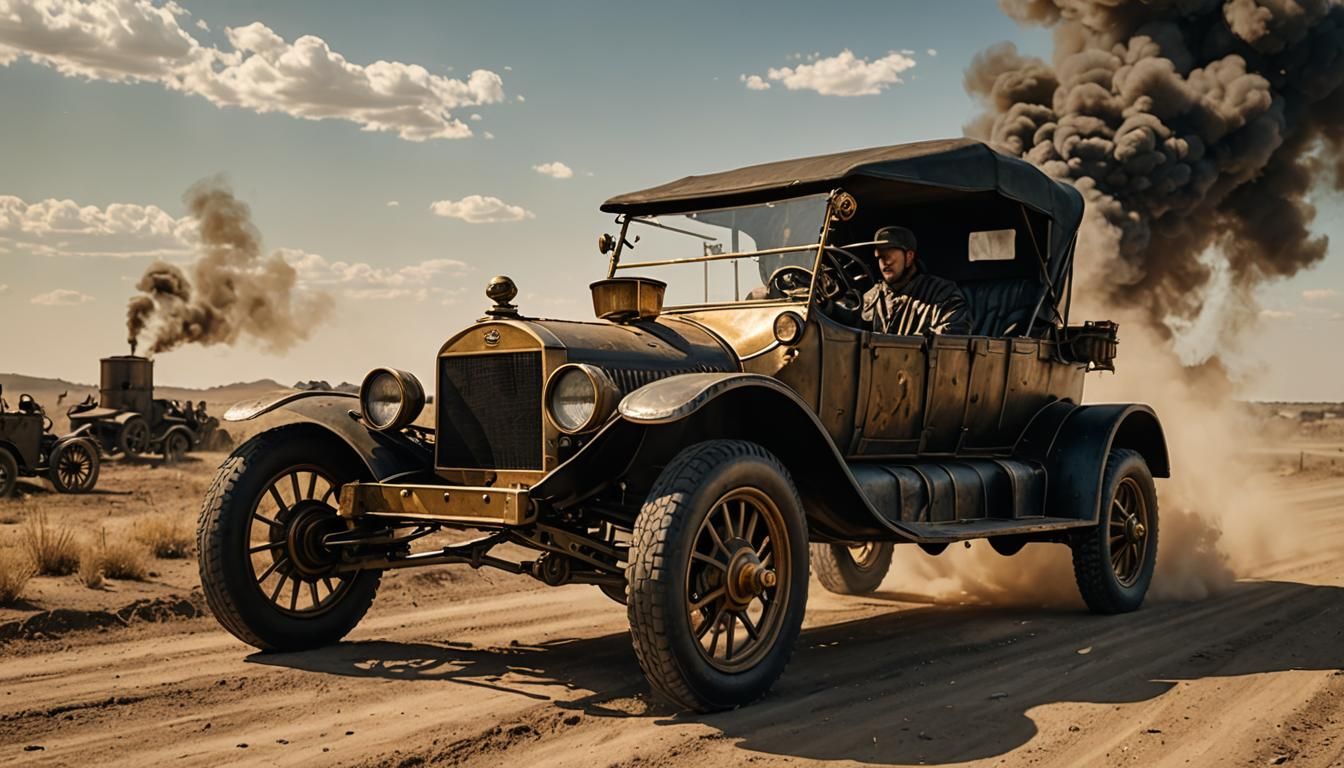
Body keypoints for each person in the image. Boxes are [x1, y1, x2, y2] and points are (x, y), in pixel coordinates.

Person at [861, 226, 973, 335]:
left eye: (889, 256)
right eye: (880, 256)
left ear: (909, 256)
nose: (884, 263)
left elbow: (953, 335)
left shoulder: (941, 293)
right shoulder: (872, 298)